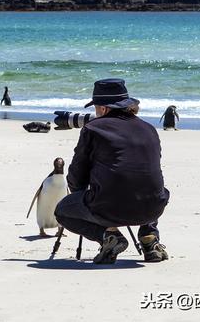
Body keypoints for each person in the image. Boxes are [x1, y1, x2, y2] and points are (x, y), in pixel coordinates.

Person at [54, 78, 170, 264]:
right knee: (147, 187)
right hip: (153, 208)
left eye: (96, 107)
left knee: (62, 211)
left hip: (110, 208)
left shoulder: (93, 129)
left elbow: (76, 177)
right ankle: (150, 240)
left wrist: (83, 197)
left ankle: (109, 236)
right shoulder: (149, 129)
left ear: (104, 108)